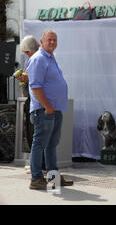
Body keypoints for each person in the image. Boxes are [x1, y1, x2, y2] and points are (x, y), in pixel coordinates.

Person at [26, 29, 73, 190]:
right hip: (44, 110)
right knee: (39, 143)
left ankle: (53, 177)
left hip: (53, 109)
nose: (52, 42)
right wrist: (47, 107)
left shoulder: (50, 58)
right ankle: (36, 178)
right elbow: (36, 86)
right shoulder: (39, 59)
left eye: (54, 40)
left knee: (51, 144)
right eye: (49, 40)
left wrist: (53, 108)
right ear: (41, 41)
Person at [15, 36, 40, 151]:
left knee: (33, 133)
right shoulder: (36, 58)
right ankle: (37, 163)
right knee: (32, 132)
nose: (25, 54)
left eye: (26, 52)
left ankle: (37, 164)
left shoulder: (36, 59)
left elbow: (37, 77)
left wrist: (24, 78)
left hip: (34, 101)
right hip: (32, 100)